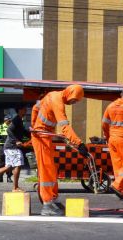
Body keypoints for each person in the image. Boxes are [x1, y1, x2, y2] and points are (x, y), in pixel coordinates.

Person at [31, 84, 86, 216]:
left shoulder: (52, 94)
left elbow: (35, 108)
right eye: (73, 100)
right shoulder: (58, 102)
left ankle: (53, 199)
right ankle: (47, 204)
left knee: (51, 169)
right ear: (69, 93)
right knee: (46, 169)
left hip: (43, 135)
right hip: (41, 137)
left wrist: (33, 125)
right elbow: (65, 127)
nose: (72, 103)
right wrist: (79, 144)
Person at [0, 114, 27, 191]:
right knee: (17, 165)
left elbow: (23, 132)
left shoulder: (16, 124)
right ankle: (15, 187)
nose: (9, 121)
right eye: (8, 120)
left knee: (9, 166)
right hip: (9, 147)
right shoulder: (4, 126)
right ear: (5, 120)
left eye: (10, 120)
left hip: (8, 147)